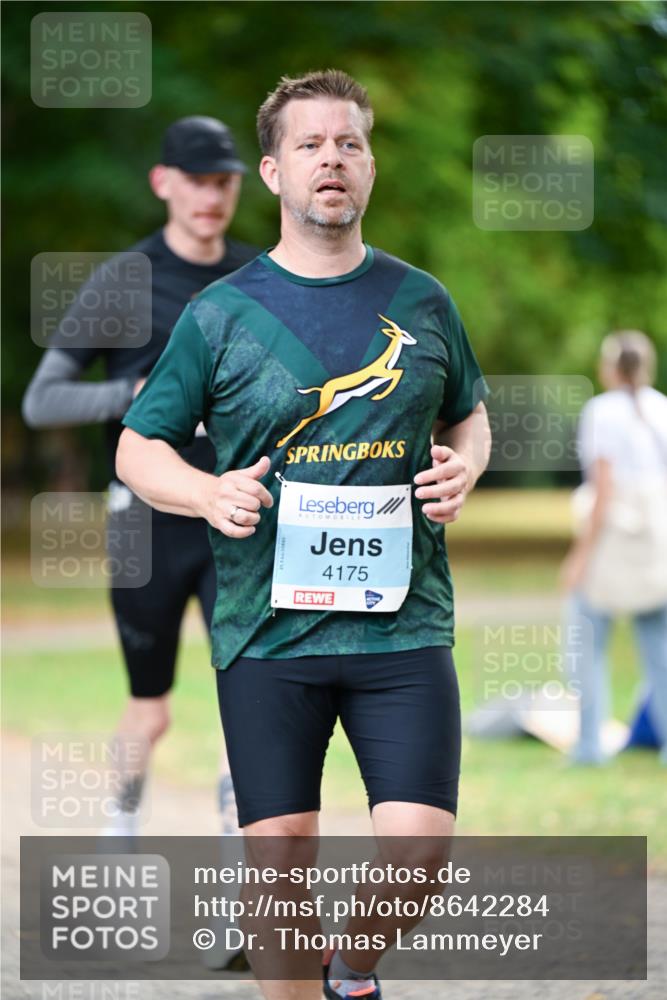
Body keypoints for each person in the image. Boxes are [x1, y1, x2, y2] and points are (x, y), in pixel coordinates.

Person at [117, 70, 491, 1000]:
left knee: (419, 851)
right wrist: (205, 493)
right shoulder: (220, 314)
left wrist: (465, 466)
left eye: (349, 143)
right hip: (266, 630)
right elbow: (137, 446)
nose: (332, 159)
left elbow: (468, 415)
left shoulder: (422, 300)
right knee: (279, 859)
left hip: (401, 626)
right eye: (311, 145)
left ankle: (350, 969)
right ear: (274, 172)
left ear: (369, 167)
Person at [22, 116, 258, 840]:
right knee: (149, 710)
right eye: (196, 182)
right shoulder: (123, 280)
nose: (210, 197)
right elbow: (42, 401)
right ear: (163, 183)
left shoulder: (261, 276)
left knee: (249, 696)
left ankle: (240, 856)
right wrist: (133, 395)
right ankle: (118, 834)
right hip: (143, 526)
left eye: (223, 183)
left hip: (236, 516)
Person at [561, 330, 667, 766]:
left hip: (612, 544)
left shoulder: (601, 411)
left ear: (611, 367)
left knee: (585, 646)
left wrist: (579, 557)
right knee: (660, 652)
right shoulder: (661, 408)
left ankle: (589, 746)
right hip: (655, 545)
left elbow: (603, 490)